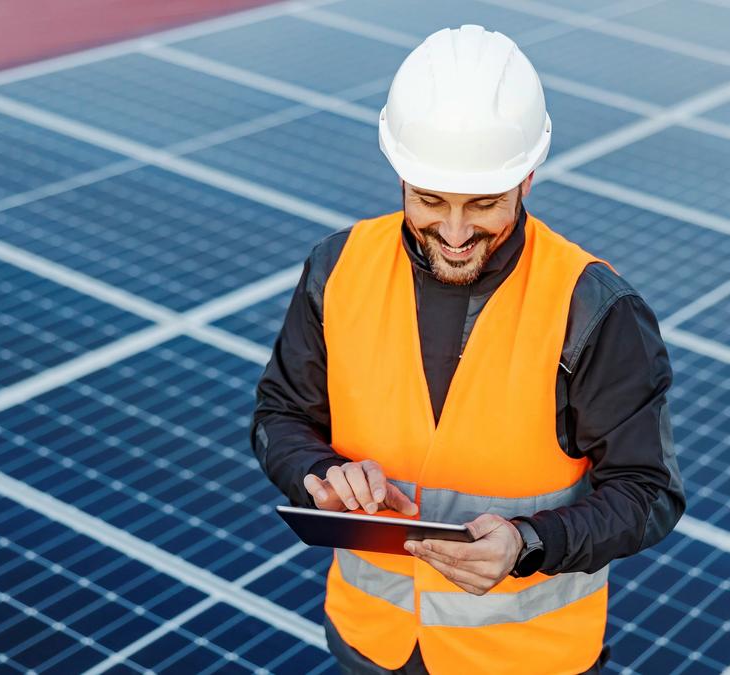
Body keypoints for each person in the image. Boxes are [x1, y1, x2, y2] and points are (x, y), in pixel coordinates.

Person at [250, 24, 685, 675]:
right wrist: (319, 474)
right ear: (400, 175)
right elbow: (279, 415)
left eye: (483, 204)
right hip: (370, 643)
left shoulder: (592, 306)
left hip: (529, 661)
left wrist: (530, 542)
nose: (454, 233)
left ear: (527, 179)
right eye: (430, 200)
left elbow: (648, 491)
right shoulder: (338, 268)